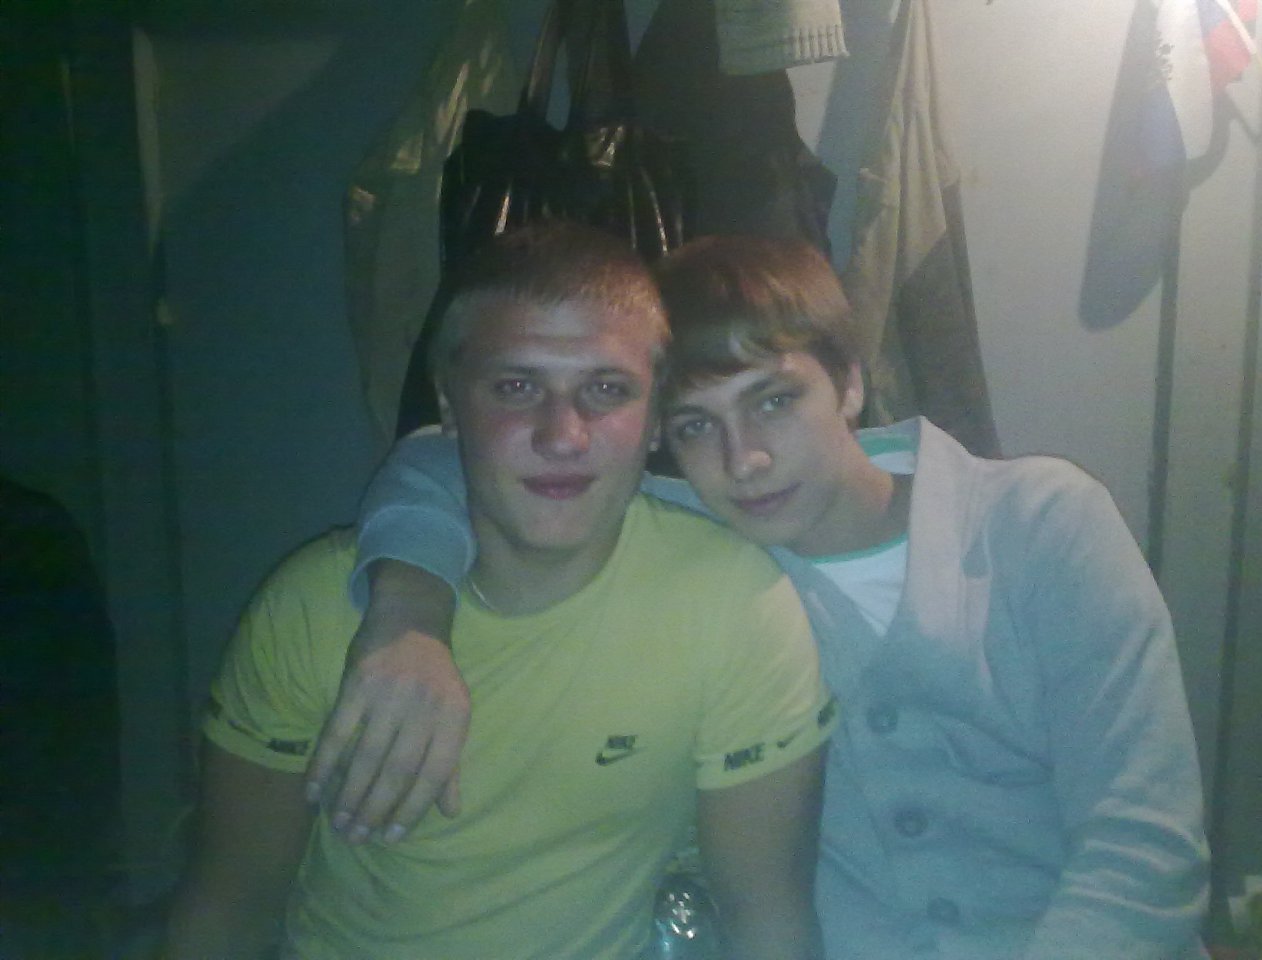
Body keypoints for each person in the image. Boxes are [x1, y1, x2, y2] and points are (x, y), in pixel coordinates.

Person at [309, 233, 1212, 960]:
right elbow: (444, 456)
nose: (744, 459)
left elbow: (1145, 850)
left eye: (774, 401)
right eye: (696, 425)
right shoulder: (692, 535)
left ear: (850, 383)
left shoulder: (1037, 525)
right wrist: (409, 614)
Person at [164, 224, 832, 960]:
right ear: (450, 408)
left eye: (606, 390)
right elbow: (228, 910)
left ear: (653, 422)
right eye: (517, 388)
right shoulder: (315, 608)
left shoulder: (731, 603)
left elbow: (767, 919)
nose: (563, 435)